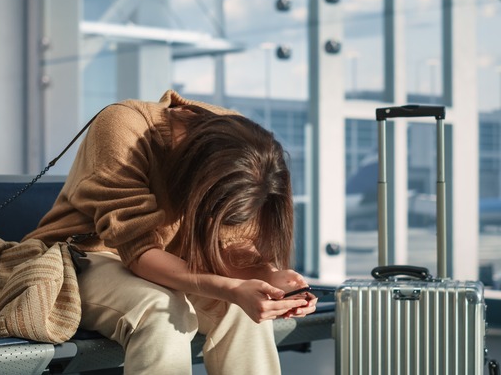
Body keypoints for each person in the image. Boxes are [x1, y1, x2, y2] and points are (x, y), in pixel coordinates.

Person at [23, 90, 317, 374]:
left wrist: (270, 277)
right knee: (161, 309)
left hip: (173, 264)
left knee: (241, 311)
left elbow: (232, 241)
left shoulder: (244, 148)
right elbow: (139, 251)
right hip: (84, 258)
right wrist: (231, 287)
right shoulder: (124, 126)